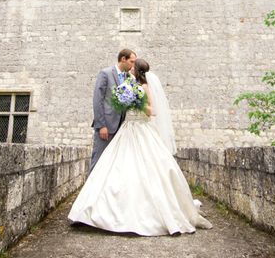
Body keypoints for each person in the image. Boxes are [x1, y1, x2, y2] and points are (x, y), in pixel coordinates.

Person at [69, 58, 212, 236]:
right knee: (114, 167)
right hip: (126, 130)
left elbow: (153, 111)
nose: (130, 68)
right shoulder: (127, 85)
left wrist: (138, 102)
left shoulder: (144, 87)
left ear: (137, 70)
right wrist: (123, 100)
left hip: (141, 131)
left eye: (133, 67)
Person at [90, 48, 137, 172]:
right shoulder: (105, 73)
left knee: (113, 164)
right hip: (106, 127)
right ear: (123, 59)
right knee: (98, 161)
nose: (133, 65)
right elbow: (97, 100)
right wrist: (101, 126)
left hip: (121, 128)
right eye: (131, 62)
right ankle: (91, 190)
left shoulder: (129, 78)